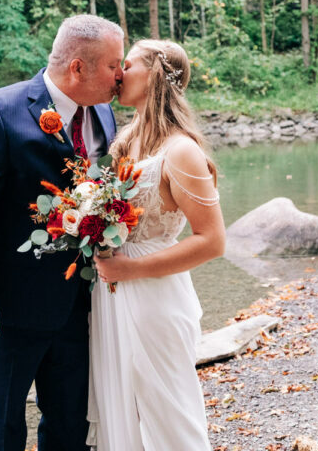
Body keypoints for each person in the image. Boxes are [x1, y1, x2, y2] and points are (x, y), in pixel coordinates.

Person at [0, 14, 124, 451]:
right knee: (2, 432)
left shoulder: (104, 113)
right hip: (8, 312)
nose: (121, 76)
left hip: (81, 308)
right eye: (113, 65)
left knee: (70, 427)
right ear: (77, 67)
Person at [89, 39, 225, 451]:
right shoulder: (123, 141)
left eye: (125, 65)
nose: (117, 74)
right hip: (110, 295)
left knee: (168, 413)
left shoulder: (181, 150)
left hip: (154, 294)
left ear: (150, 75)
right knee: (123, 410)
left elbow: (213, 241)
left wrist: (130, 269)